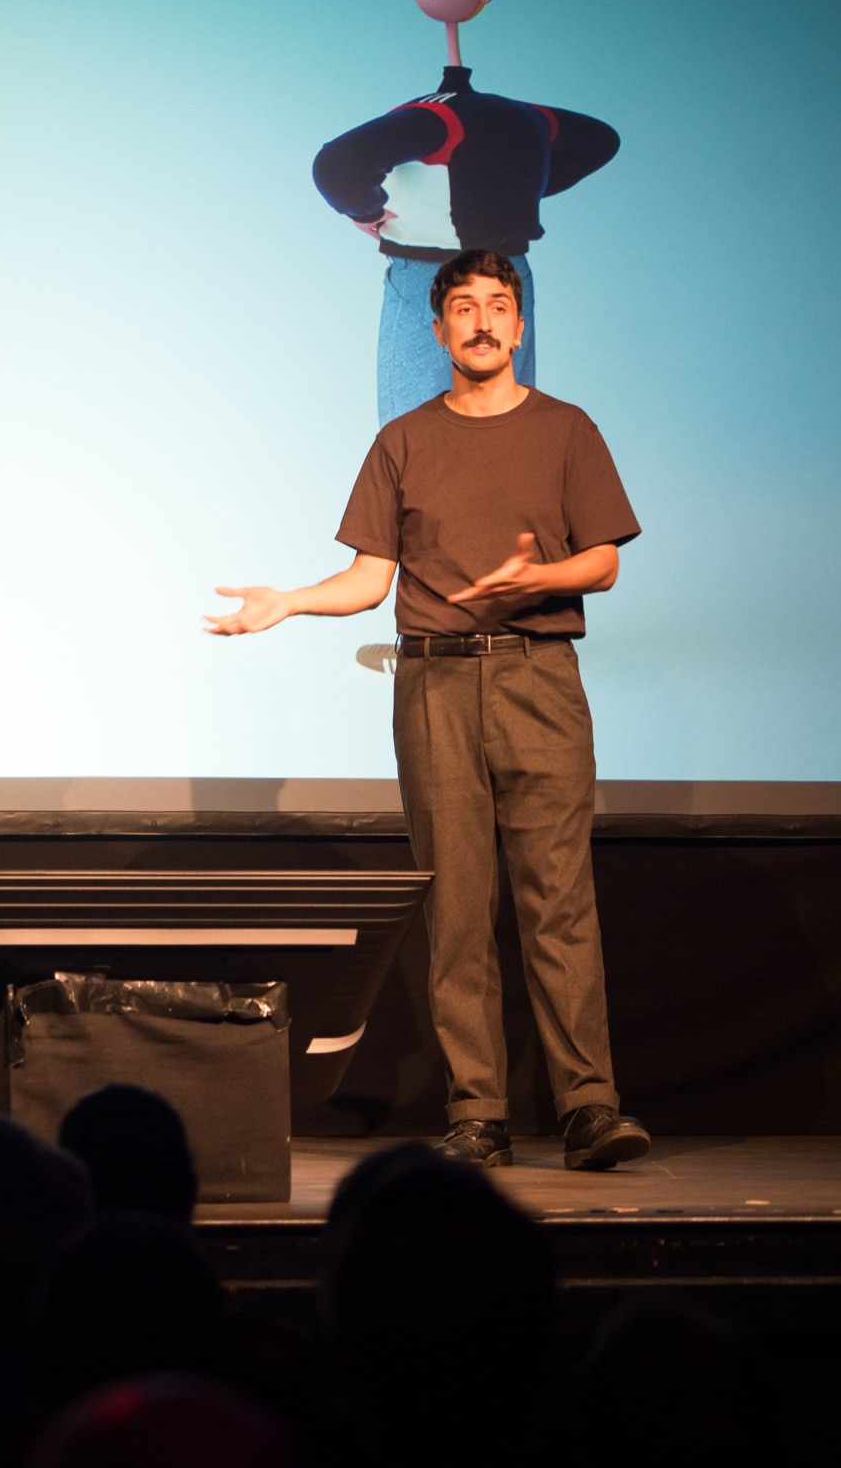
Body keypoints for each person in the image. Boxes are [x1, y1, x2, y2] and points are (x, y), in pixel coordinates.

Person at [205, 247, 648, 1170]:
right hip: (435, 683)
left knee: (558, 902)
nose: (482, 321)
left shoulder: (567, 430)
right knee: (456, 906)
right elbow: (369, 579)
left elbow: (603, 561)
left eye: (499, 305)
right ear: (438, 327)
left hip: (539, 675)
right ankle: (477, 1113)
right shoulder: (403, 440)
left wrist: (540, 575)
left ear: (520, 326)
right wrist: (284, 601)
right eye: (464, 308)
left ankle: (589, 1109)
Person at [312, 0, 619, 425]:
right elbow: (598, 140)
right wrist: (522, 184)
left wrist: (366, 212)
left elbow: (338, 164)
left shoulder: (434, 116)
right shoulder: (523, 116)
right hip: (506, 274)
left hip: (434, 273)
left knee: (417, 438)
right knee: (502, 429)